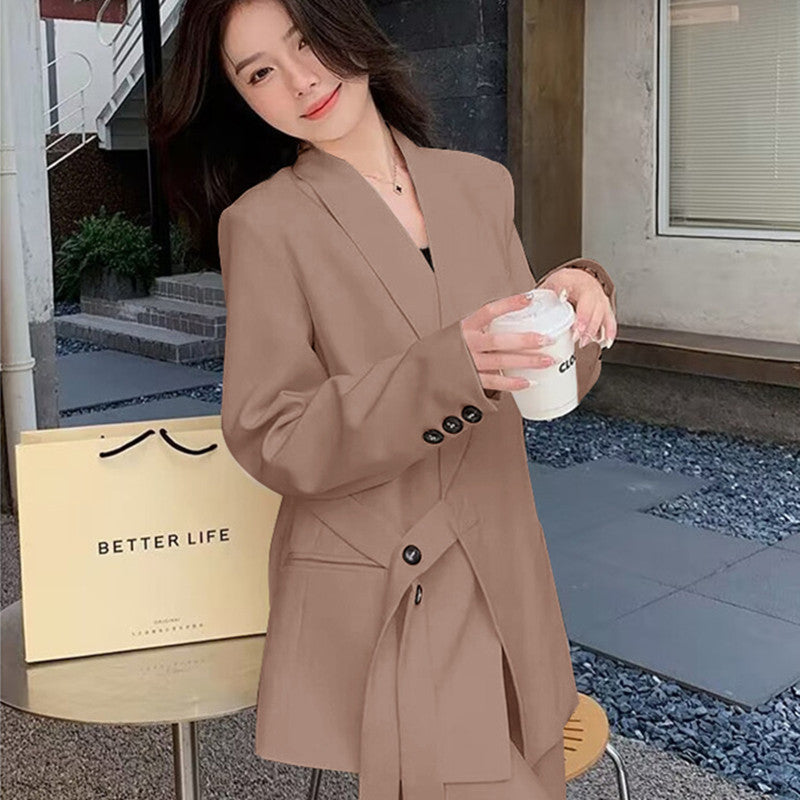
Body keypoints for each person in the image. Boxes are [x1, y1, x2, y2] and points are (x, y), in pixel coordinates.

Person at [149, 2, 618, 799]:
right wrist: (448, 370)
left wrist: (576, 304)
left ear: (345, 27)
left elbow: (544, 382)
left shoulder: (479, 186)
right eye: (260, 72)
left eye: (305, 42)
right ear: (242, 99)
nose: (301, 81)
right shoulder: (264, 225)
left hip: (510, 566)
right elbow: (272, 432)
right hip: (399, 578)